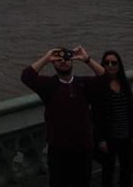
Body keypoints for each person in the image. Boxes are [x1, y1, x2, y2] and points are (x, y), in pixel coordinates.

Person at [21, 45, 107, 187]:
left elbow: (106, 79)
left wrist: (87, 59)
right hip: (58, 151)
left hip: (83, 150)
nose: (63, 61)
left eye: (66, 58)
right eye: (58, 59)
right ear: (53, 64)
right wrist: (47, 58)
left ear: (72, 61)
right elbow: (26, 77)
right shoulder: (49, 85)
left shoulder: (83, 83)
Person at [93, 50, 133, 187]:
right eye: (107, 62)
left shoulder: (124, 84)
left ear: (119, 65)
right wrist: (101, 139)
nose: (110, 65)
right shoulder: (99, 86)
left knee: (127, 169)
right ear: (102, 65)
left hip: (126, 135)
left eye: (114, 63)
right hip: (109, 136)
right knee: (108, 170)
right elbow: (96, 115)